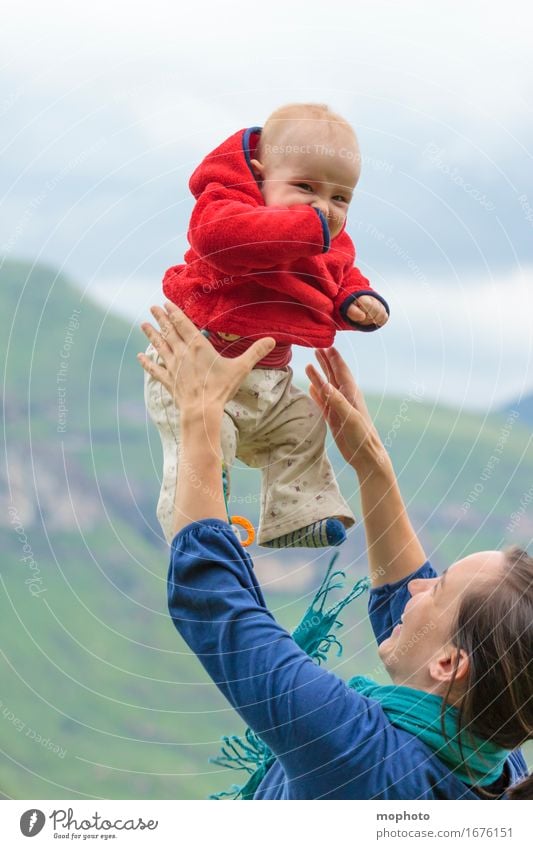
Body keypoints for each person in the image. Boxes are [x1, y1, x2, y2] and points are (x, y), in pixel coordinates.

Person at [138, 302, 533, 800]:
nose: (419, 582)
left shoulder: (358, 755)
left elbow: (215, 603)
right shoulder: (493, 757)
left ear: (450, 665)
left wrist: (199, 419)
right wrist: (373, 466)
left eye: (439, 588)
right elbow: (416, 637)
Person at [144, 102, 390, 549]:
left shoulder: (327, 237)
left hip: (270, 382)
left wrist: (359, 301)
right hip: (198, 363)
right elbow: (220, 241)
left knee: (304, 421)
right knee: (204, 442)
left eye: (340, 198)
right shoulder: (227, 206)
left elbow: (340, 275)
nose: (324, 208)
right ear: (260, 175)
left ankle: (297, 515)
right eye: (305, 187)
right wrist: (302, 228)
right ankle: (198, 531)